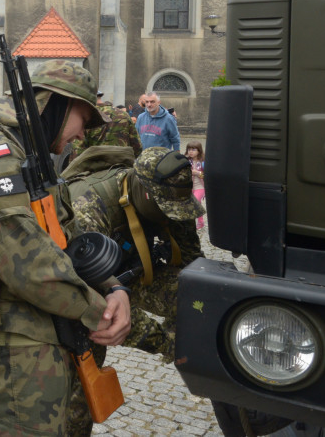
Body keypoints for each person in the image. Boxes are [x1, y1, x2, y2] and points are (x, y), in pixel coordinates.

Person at [0, 60, 130, 436]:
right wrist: (98, 311)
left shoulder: (30, 157)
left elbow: (61, 237)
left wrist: (113, 286)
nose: (81, 135)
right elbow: (23, 258)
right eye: (83, 119)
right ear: (54, 104)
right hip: (11, 350)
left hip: (38, 335)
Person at [64, 146, 205, 434]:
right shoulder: (89, 205)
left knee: (196, 296)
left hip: (137, 275)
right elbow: (94, 300)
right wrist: (167, 344)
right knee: (80, 394)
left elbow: (193, 264)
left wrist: (201, 311)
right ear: (144, 192)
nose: (173, 216)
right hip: (89, 294)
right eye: (165, 209)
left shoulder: (172, 197)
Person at [186, 140, 206, 228]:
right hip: (190, 187)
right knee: (196, 204)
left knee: (195, 202)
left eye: (193, 149)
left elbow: (208, 175)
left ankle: (195, 222)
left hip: (200, 187)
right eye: (189, 149)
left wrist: (198, 173)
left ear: (199, 151)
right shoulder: (186, 161)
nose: (190, 151)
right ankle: (201, 221)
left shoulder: (203, 162)